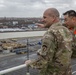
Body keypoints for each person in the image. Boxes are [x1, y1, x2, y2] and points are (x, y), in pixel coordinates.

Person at [25, 8, 73, 75]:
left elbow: (43, 61)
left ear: (53, 17)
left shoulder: (50, 34)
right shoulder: (66, 30)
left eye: (45, 17)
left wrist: (30, 63)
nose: (42, 20)